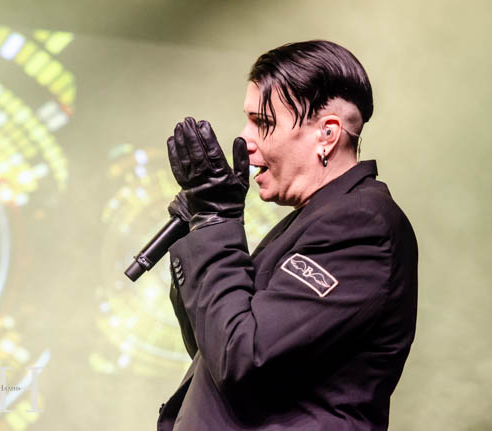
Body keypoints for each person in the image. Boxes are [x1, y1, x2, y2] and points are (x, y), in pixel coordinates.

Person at [157, 40, 418, 431]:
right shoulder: (312, 221)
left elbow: (242, 357)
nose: (245, 140)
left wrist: (215, 223)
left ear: (327, 134)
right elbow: (211, 346)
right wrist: (198, 229)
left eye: (263, 123)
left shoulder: (360, 225)